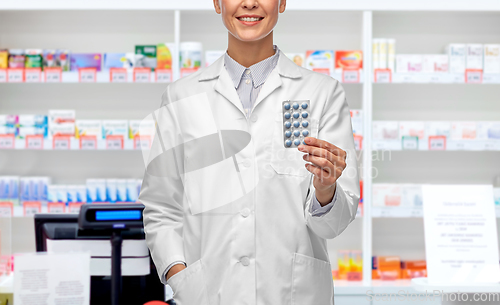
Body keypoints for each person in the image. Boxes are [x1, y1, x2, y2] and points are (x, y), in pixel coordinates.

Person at [139, 0, 360, 304]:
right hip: (209, 294)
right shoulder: (182, 96)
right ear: (217, 3)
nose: (250, 3)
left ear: (282, 2)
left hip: (294, 293)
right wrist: (181, 276)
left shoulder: (322, 93)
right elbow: (161, 206)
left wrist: (326, 188)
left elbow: (333, 225)